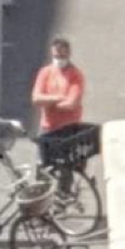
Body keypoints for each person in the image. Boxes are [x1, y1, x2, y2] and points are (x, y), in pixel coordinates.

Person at [30, 37, 86, 168]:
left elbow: (71, 104)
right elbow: (36, 98)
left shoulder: (75, 75)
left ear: (68, 54)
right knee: (43, 165)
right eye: (56, 55)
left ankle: (65, 187)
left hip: (68, 129)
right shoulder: (45, 72)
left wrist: (47, 101)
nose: (59, 59)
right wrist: (59, 97)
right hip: (48, 127)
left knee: (66, 167)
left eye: (62, 55)